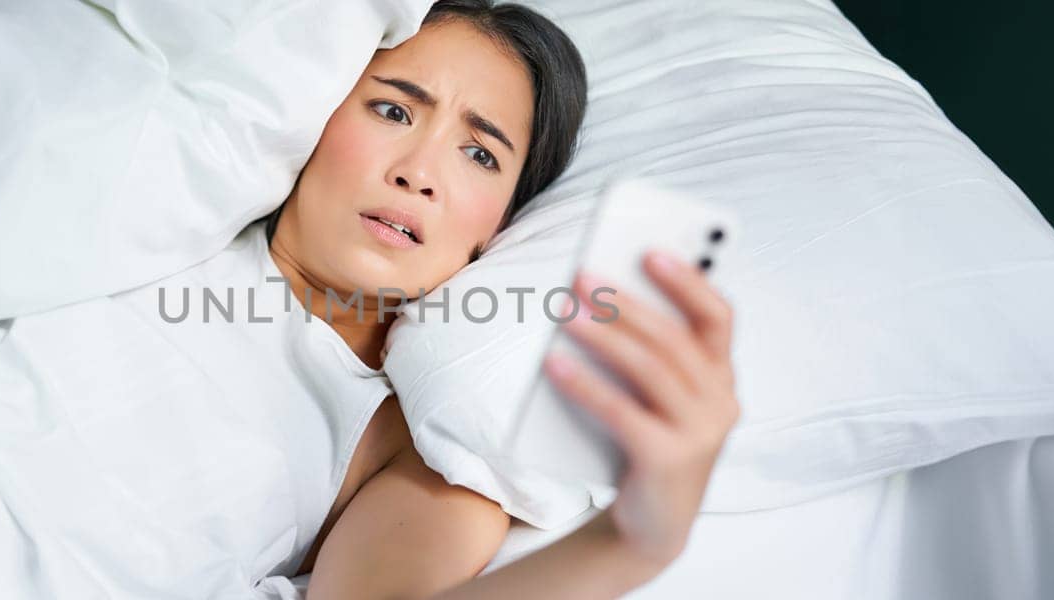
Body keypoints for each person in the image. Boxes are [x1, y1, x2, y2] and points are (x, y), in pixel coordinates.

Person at [257, 1, 741, 597]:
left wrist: (635, 542)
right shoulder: (159, 228)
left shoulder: (418, 458)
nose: (419, 172)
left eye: (480, 154)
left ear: (500, 226)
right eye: (393, 110)